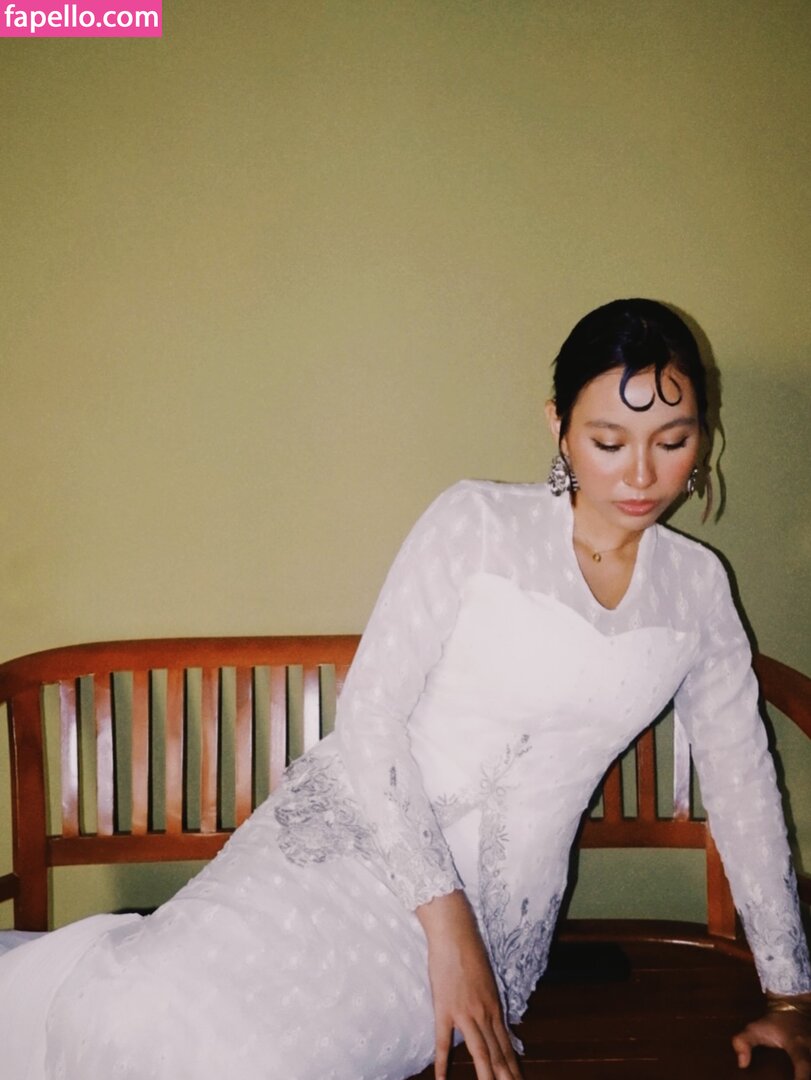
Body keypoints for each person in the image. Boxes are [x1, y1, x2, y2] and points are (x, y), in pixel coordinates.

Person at [0, 298, 809, 1080]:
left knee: (251, 1064)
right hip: (342, 848)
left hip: (493, 921)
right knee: (134, 1014)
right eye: (607, 440)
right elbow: (370, 716)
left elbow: (742, 783)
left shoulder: (698, 590)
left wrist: (788, 996)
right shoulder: (477, 523)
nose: (640, 473)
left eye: (671, 440)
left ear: (702, 436)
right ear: (557, 424)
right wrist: (443, 919)